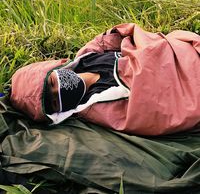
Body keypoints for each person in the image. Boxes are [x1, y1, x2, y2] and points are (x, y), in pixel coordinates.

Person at [10, 23, 200, 136]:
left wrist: (127, 38)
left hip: (175, 52)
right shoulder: (96, 107)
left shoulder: (86, 58)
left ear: (53, 68)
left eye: (51, 83)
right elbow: (149, 111)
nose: (59, 89)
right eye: (53, 101)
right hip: (179, 79)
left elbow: (112, 37)